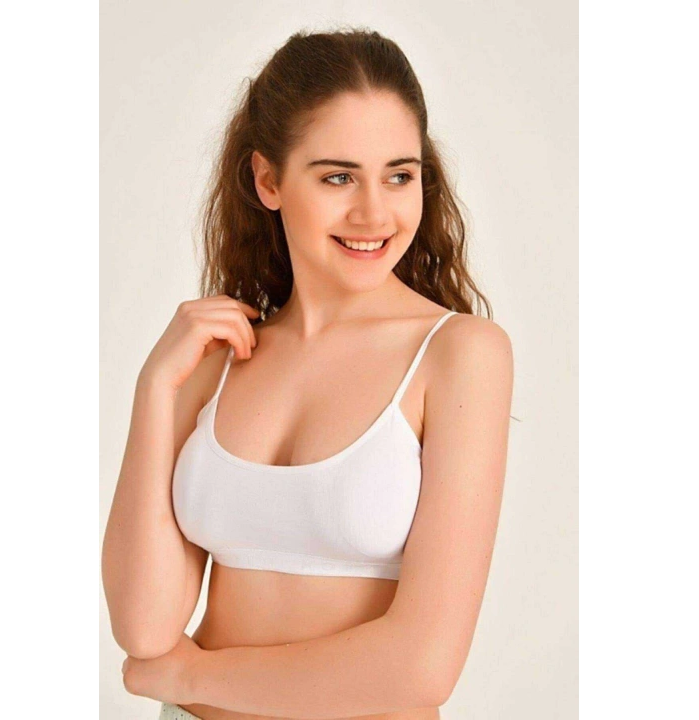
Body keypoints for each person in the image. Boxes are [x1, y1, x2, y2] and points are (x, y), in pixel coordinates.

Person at [102, 27, 514, 720]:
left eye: (399, 176)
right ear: (268, 180)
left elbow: (421, 669)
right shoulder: (218, 360)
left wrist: (189, 677)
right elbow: (144, 629)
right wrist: (154, 390)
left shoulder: (458, 354)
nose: (374, 213)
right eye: (338, 177)